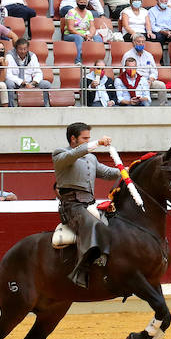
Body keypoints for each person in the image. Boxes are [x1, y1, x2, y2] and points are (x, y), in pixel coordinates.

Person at [51, 122, 119, 287]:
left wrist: (128, 171)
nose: (88, 141)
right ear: (73, 139)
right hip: (71, 206)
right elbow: (74, 154)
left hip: (90, 204)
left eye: (89, 138)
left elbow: (108, 173)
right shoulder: (60, 154)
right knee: (95, 225)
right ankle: (81, 271)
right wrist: (98, 143)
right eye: (85, 138)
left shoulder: (91, 158)